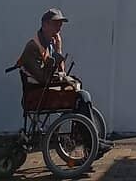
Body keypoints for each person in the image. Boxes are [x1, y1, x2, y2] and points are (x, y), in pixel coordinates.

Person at [18, 8, 112, 155]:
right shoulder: (33, 47)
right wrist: (56, 56)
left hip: (45, 89)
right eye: (56, 24)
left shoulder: (48, 43)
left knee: (82, 95)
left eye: (60, 24)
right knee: (81, 96)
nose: (59, 28)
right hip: (37, 95)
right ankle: (92, 142)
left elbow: (60, 71)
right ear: (45, 25)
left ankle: (93, 141)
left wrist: (58, 49)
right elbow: (44, 78)